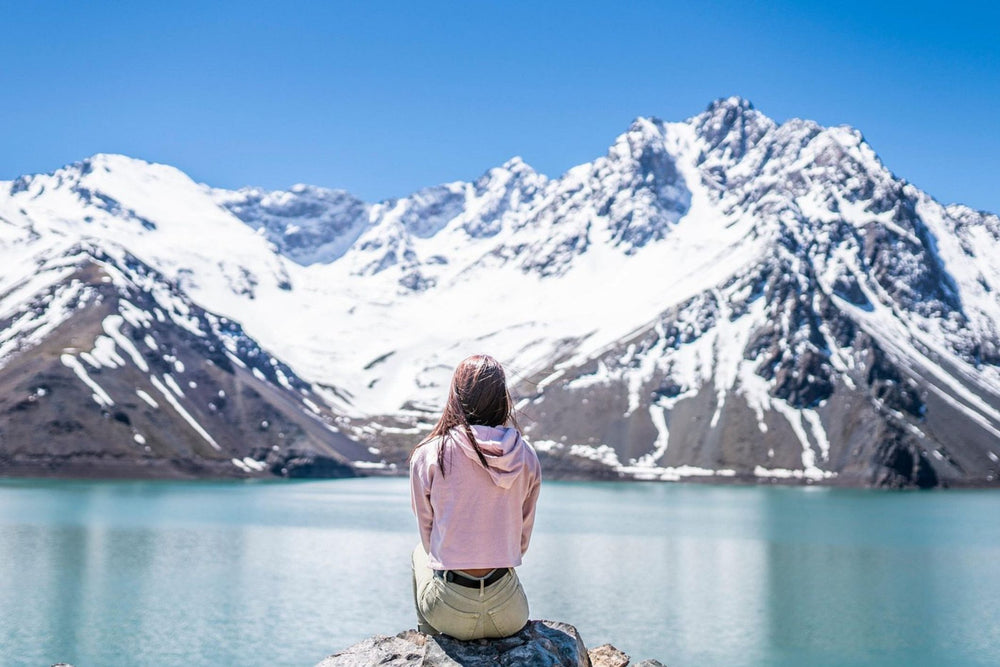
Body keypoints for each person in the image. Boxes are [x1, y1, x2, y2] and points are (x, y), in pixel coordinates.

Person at [409, 354, 542, 640]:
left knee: (419, 554)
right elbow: (521, 543)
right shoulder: (526, 455)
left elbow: (429, 538)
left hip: (449, 610)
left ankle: (430, 642)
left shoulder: (431, 454)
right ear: (502, 399)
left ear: (456, 397)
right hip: (509, 612)